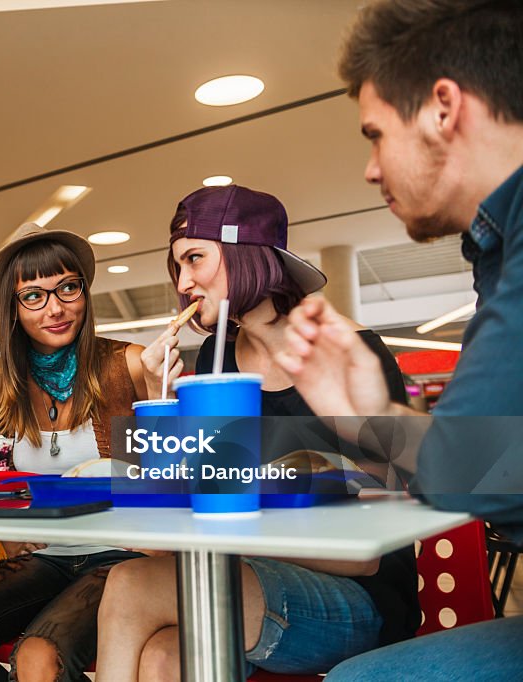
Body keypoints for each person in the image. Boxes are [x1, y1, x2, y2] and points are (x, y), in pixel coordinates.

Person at [275, 1, 523, 679]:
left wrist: (375, 421)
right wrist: (370, 419)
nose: (370, 168)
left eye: (375, 133)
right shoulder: (498, 247)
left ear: (443, 107)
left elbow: (474, 469)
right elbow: (496, 458)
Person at [96, 185, 419, 680]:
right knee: (163, 658)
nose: (183, 283)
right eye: (177, 267)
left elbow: (366, 556)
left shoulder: (351, 354)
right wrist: (158, 397)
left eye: (194, 259)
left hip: (361, 602)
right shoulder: (213, 361)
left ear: (244, 255)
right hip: (247, 577)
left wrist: (227, 521)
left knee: (131, 585)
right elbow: (192, 488)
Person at [0, 223, 150, 682]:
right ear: (13, 308)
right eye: (34, 296)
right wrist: (7, 534)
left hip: (122, 557)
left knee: (38, 657)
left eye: (68, 287)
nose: (56, 308)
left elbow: (177, 467)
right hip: (43, 557)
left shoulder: (129, 365)